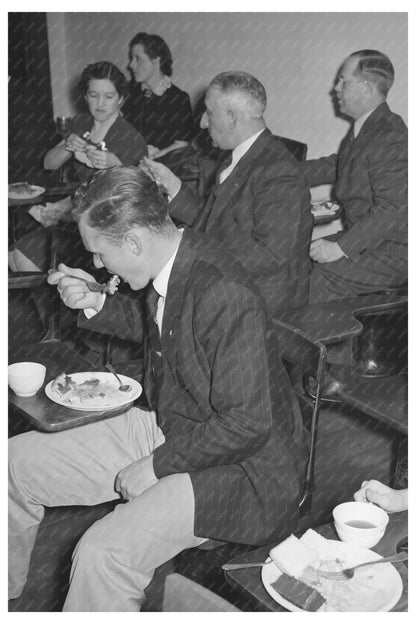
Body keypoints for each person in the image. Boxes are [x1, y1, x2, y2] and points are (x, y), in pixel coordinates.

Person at [9, 166, 305, 611]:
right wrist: (98, 302)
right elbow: (171, 330)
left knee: (102, 554)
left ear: (133, 242)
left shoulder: (222, 289)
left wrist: (157, 466)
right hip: (178, 423)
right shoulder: (172, 257)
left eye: (98, 253)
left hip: (243, 468)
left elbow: (248, 424)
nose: (95, 264)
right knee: (11, 463)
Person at [142, 71, 312, 315]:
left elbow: (270, 256)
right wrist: (174, 186)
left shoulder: (278, 171)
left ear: (232, 118)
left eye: (209, 113)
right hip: (233, 286)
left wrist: (190, 252)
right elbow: (215, 222)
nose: (201, 122)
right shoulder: (238, 156)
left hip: (261, 303)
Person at [9, 61, 148, 273]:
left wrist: (115, 165)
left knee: (21, 256)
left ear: (121, 98)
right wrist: (68, 146)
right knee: (14, 255)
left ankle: (63, 300)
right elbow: (48, 163)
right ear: (85, 96)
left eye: (109, 96)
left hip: (110, 229)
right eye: (93, 95)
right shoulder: (81, 123)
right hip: (77, 219)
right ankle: (58, 301)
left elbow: (140, 199)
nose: (100, 103)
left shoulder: (130, 138)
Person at [304, 49, 407, 302]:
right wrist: (281, 170)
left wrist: (340, 248)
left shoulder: (390, 135)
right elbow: (341, 165)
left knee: (319, 278)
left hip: (394, 251)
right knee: (296, 258)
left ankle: (323, 341)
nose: (336, 88)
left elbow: (393, 209)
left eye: (343, 81)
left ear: (367, 88)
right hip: (373, 241)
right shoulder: (369, 126)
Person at [123, 32, 194, 160]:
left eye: (137, 59)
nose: (131, 65)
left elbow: (181, 146)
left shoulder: (178, 99)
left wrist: (151, 158)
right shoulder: (127, 92)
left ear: (156, 61)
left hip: (164, 166)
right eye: (131, 59)